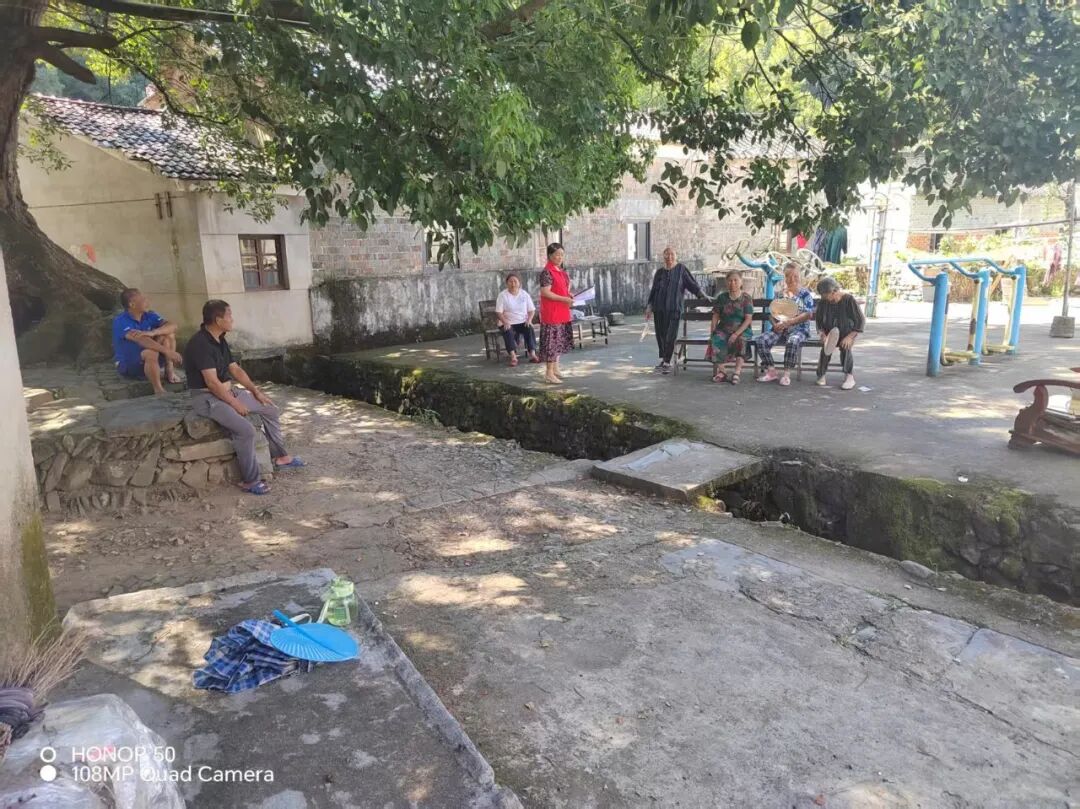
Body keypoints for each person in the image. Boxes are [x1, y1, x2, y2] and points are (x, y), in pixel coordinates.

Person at [183, 300, 304, 495]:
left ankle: (281, 457)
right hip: (207, 399)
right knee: (245, 430)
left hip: (227, 391)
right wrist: (234, 403)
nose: (232, 320)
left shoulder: (220, 339)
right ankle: (251, 481)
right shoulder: (200, 344)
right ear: (218, 320)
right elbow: (212, 383)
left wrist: (255, 391)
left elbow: (235, 369)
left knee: (270, 409)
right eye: (229, 316)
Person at [645, 247, 706, 375]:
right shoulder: (659, 272)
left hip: (674, 309)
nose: (669, 257)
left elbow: (692, 284)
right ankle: (664, 360)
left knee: (670, 335)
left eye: (672, 254)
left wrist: (702, 295)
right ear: (663, 257)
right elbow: (654, 290)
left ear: (676, 256)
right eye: (666, 255)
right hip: (659, 309)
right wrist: (649, 306)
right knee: (661, 335)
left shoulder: (681, 269)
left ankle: (667, 362)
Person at [755, 263, 816, 387]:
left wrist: (789, 322)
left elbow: (808, 314)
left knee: (793, 340)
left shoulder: (805, 295)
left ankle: (787, 374)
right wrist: (774, 324)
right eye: (788, 276)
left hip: (799, 329)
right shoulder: (780, 294)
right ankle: (771, 371)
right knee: (761, 340)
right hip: (780, 329)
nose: (792, 279)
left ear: (800, 276)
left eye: (795, 276)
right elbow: (772, 313)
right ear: (785, 277)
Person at [112, 288, 183, 394]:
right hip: (129, 364)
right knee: (150, 352)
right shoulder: (120, 321)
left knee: (169, 335)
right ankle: (158, 390)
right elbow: (141, 340)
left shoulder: (149, 315)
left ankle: (169, 370)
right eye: (143, 300)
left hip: (151, 360)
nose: (147, 302)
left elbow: (173, 326)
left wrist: (153, 332)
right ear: (132, 304)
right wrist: (168, 352)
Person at [815, 276, 865, 391]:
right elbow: (819, 320)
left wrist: (850, 337)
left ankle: (849, 376)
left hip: (846, 334)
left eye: (827, 296)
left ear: (834, 291)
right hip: (829, 333)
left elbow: (860, 320)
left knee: (845, 346)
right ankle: (821, 374)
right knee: (826, 348)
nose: (826, 299)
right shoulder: (823, 302)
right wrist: (822, 334)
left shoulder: (849, 300)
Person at [538, 242, 574, 384]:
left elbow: (562, 290)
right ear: (549, 255)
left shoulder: (561, 272)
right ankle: (548, 373)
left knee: (559, 341)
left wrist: (569, 295)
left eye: (562, 255)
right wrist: (564, 299)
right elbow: (545, 292)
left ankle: (555, 369)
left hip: (562, 311)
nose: (559, 257)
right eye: (556, 254)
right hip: (552, 312)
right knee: (552, 343)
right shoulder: (547, 272)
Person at [709, 270, 753, 384]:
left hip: (742, 329)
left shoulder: (746, 298)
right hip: (724, 328)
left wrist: (736, 334)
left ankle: (737, 372)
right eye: (730, 281)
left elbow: (748, 319)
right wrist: (713, 330)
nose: (732, 283)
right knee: (716, 339)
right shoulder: (722, 297)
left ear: (741, 282)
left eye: (735, 280)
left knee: (741, 340)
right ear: (726, 282)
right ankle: (722, 372)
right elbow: (715, 316)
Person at [494, 273, 539, 366]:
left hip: (522, 322)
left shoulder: (524, 294)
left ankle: (533, 354)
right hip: (508, 322)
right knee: (508, 330)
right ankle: (513, 356)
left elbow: (531, 310)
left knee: (529, 328)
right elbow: (499, 312)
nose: (513, 284)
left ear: (519, 283)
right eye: (510, 281)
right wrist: (505, 322)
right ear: (507, 283)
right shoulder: (502, 295)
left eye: (515, 281)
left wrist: (529, 320)